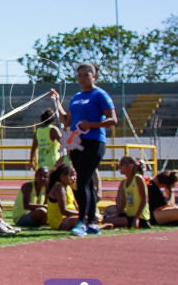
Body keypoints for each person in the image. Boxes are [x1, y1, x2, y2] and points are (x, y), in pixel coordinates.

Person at [49, 62, 117, 237]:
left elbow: (112, 120)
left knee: (83, 180)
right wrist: (56, 102)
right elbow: (66, 120)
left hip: (93, 141)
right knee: (86, 181)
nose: (82, 79)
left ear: (94, 76)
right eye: (80, 76)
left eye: (86, 75)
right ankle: (92, 222)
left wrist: (92, 124)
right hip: (76, 143)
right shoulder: (76, 97)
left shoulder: (100, 95)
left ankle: (82, 221)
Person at [103, 156, 150, 229]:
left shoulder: (138, 178)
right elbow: (124, 203)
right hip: (129, 215)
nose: (119, 167)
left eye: (122, 164)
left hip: (140, 217)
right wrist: (116, 214)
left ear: (131, 167)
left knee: (109, 221)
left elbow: (144, 200)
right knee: (107, 219)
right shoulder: (125, 182)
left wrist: (136, 218)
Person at [45, 163, 81, 232]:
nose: (75, 178)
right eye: (72, 175)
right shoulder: (59, 188)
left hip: (70, 217)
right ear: (62, 176)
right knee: (84, 219)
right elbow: (64, 211)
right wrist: (81, 214)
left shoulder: (68, 187)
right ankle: (102, 226)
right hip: (60, 222)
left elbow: (77, 206)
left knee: (94, 217)